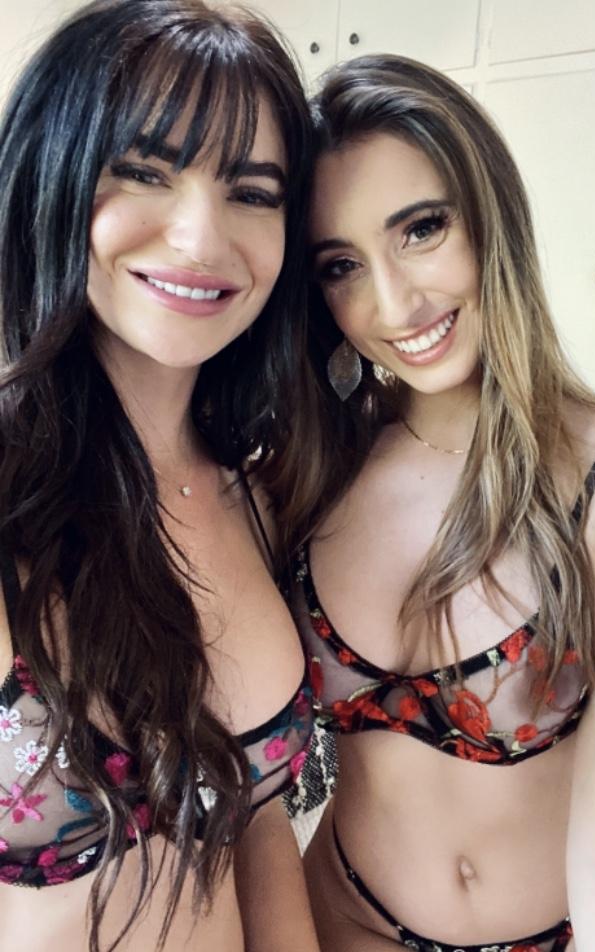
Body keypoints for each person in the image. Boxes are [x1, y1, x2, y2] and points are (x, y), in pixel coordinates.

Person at [284, 54, 595, 951]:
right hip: (332, 915)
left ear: (492, 217)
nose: (394, 303)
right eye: (341, 265)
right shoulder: (311, 470)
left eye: (422, 229)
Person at [0, 2, 320, 950]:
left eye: (252, 192)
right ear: (50, 174)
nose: (200, 239)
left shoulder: (259, 495)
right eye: (143, 170)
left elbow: (257, 826)